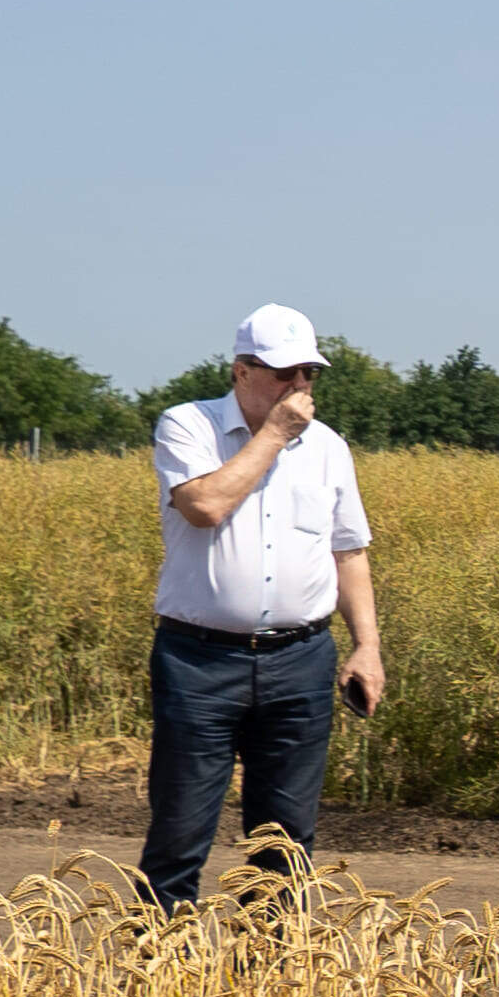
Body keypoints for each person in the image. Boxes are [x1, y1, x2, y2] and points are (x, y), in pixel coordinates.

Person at [141, 304, 387, 906]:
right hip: (199, 663)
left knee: (285, 842)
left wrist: (367, 648)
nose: (299, 388)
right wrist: (275, 435)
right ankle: (160, 982)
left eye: (309, 374)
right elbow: (204, 506)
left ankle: (269, 986)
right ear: (241, 370)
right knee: (180, 832)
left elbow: (348, 552)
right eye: (285, 374)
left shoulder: (328, 448)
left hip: (300, 661)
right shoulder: (188, 426)